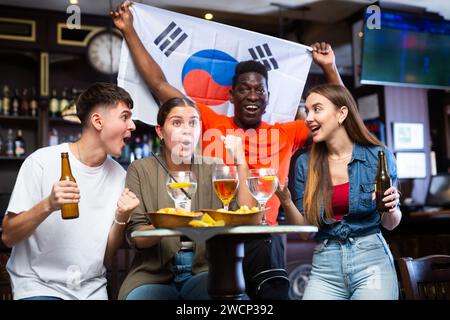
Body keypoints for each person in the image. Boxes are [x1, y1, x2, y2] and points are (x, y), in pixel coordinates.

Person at [111, 1, 343, 299]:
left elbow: (339, 118)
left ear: (268, 98)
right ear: (231, 95)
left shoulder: (287, 132)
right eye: (245, 88)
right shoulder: (208, 120)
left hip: (263, 237)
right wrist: (129, 30)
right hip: (213, 243)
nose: (252, 95)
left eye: (260, 89)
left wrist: (329, 67)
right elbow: (158, 83)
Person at [1, 83, 139, 300]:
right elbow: (8, 236)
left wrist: (121, 218)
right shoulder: (41, 162)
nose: (132, 125)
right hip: (38, 287)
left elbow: (107, 256)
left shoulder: (120, 176)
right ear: (98, 121)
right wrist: (48, 204)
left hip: (91, 289)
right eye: (125, 117)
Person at [118, 97, 254, 300]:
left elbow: (247, 215)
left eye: (193, 123)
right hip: (153, 275)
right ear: (160, 132)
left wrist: (241, 162)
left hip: (207, 270)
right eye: (177, 122)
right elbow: (138, 237)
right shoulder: (141, 169)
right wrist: (176, 222)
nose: (187, 130)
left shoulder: (213, 167)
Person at [276, 84, 401, 300]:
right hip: (326, 265)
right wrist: (286, 201)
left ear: (341, 114)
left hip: (371, 261)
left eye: (317, 109)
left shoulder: (377, 156)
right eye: (307, 111)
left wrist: (391, 207)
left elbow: (390, 223)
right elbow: (306, 231)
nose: (308, 118)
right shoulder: (306, 164)